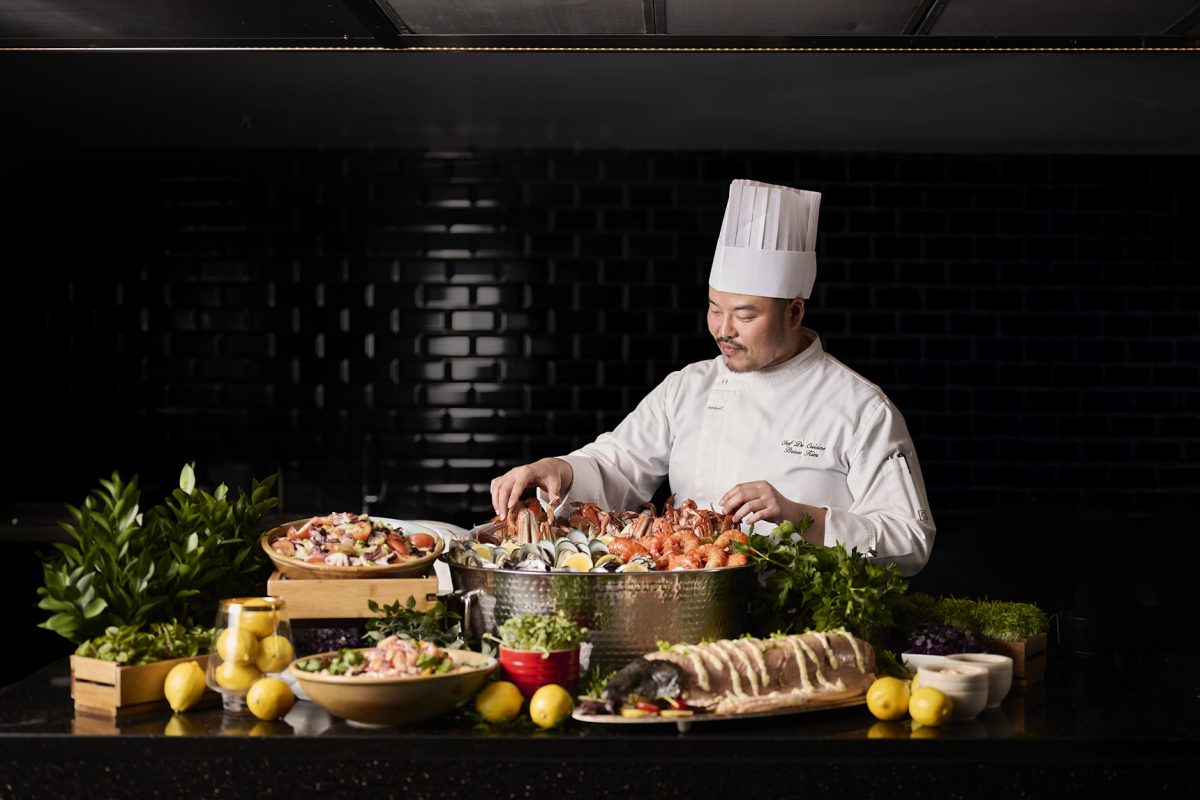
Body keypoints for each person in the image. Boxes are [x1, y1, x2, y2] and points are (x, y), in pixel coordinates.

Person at [490, 179, 935, 576]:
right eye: (714, 308)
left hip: (804, 625)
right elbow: (617, 465)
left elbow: (910, 541)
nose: (723, 329)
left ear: (795, 311)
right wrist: (557, 469)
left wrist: (801, 516)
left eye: (744, 315)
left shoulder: (860, 407)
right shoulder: (688, 388)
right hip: (688, 611)